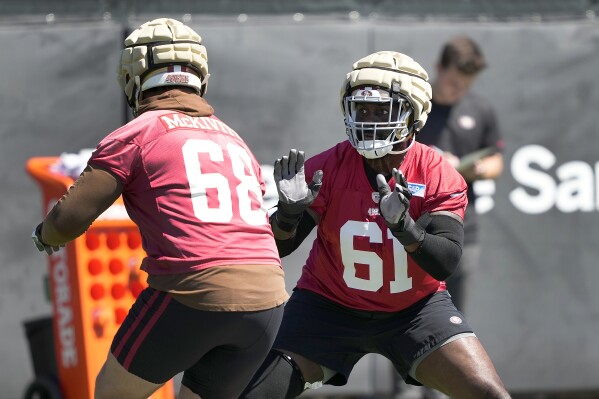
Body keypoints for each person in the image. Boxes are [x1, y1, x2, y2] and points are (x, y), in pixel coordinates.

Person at [31, 18, 288, 399]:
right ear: (200, 75)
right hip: (268, 300)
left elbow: (70, 217)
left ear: (133, 76)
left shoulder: (138, 133)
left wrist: (46, 234)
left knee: (112, 394)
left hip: (192, 289)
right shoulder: (235, 139)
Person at [240, 51, 511, 399]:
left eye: (383, 111)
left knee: (491, 394)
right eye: (362, 110)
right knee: (254, 394)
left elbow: (446, 261)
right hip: (328, 306)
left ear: (413, 114)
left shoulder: (436, 173)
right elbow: (277, 249)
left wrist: (406, 228)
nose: (369, 120)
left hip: (415, 310)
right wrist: (287, 216)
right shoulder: (328, 167)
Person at [417, 36, 504, 313]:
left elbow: (496, 162)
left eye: (466, 86)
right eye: (454, 83)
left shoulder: (481, 109)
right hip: (415, 227)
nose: (459, 91)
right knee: (406, 317)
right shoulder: (414, 107)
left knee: (452, 316)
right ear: (438, 68)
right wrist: (434, 163)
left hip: (464, 229)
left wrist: (474, 169)